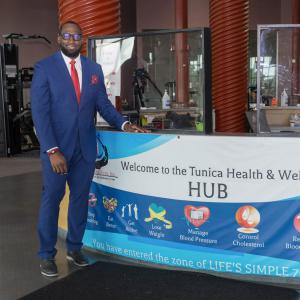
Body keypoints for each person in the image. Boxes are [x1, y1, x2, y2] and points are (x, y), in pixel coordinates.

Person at [31, 20, 148, 277]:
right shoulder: (44, 68)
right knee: (51, 201)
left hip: (85, 149)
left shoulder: (93, 69)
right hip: (57, 152)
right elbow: (39, 114)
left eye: (77, 36)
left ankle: (74, 248)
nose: (72, 40)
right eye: (67, 35)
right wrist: (52, 150)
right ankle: (47, 255)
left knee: (80, 201)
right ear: (59, 38)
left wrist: (125, 124)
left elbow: (103, 106)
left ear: (82, 40)